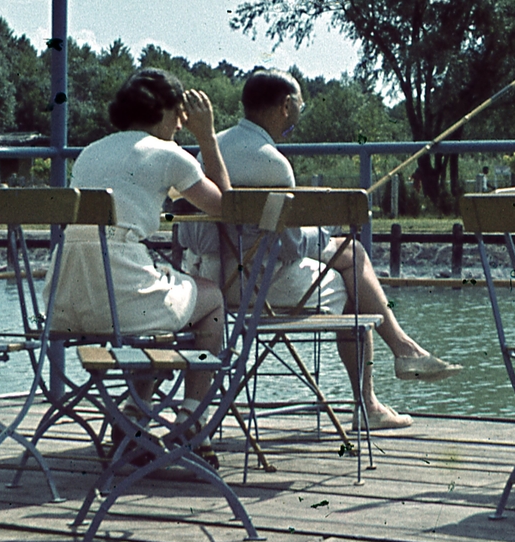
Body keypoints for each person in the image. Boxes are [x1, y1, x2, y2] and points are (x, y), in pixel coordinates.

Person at [182, 68, 460, 430]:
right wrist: (325, 233)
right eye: (300, 102)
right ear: (285, 106)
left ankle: (403, 352)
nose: (301, 108)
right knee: (354, 287)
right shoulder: (273, 162)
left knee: (352, 254)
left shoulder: (207, 149)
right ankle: (373, 397)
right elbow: (293, 247)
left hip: (210, 280)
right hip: (261, 286)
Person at [51, 68, 229, 420]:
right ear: (162, 110)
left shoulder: (90, 152)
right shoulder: (169, 154)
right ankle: (192, 416)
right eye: (179, 116)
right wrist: (207, 139)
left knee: (162, 303)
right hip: (122, 296)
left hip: (65, 297)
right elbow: (225, 205)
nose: (180, 126)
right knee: (210, 300)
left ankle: (135, 412)